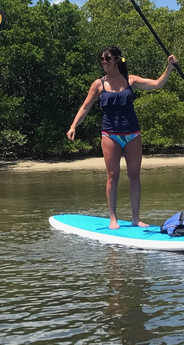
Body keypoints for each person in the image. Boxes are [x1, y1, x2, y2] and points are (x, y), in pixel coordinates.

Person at [66, 47, 177, 229]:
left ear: (116, 59)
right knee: (112, 176)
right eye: (101, 59)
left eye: (107, 58)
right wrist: (73, 126)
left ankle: (135, 218)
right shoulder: (98, 84)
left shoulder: (130, 80)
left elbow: (157, 84)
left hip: (133, 134)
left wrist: (169, 69)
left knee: (135, 176)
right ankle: (113, 218)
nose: (104, 62)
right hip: (110, 134)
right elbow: (85, 107)